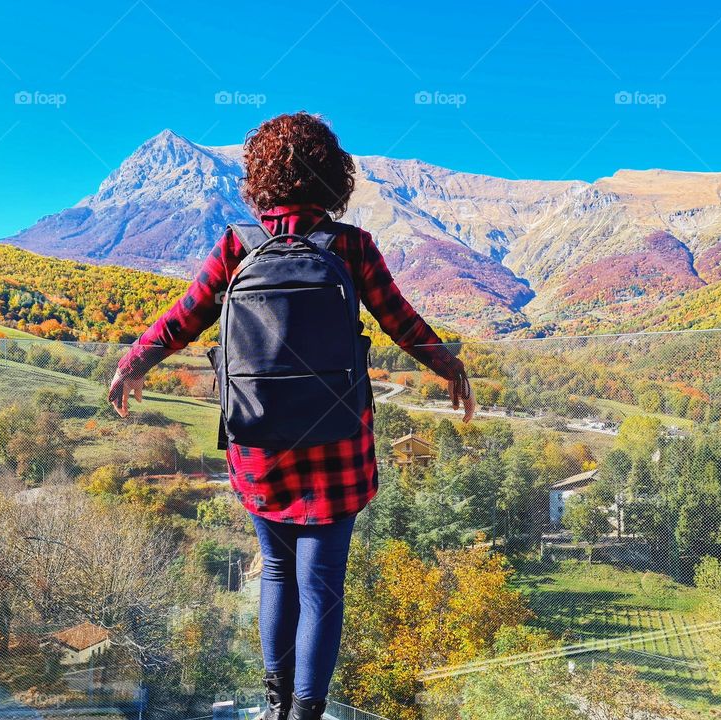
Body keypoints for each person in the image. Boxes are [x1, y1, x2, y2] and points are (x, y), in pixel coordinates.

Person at [109, 112, 475, 720]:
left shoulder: (236, 247)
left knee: (276, 570)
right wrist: (452, 369)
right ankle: (307, 713)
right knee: (322, 582)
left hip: (259, 438)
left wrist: (133, 363)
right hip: (339, 441)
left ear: (261, 182)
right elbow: (401, 322)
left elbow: (183, 317)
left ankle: (275, 706)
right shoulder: (351, 247)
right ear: (333, 177)